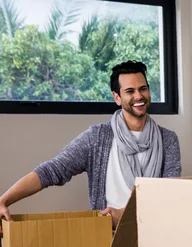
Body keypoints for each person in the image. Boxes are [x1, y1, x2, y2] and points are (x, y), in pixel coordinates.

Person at [0, 60, 182, 230]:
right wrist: (4, 200)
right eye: (130, 91)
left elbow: (169, 196)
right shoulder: (97, 137)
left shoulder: (168, 140)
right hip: (106, 238)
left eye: (143, 89)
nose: (138, 96)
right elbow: (53, 170)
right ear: (117, 97)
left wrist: (126, 218)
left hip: (154, 235)